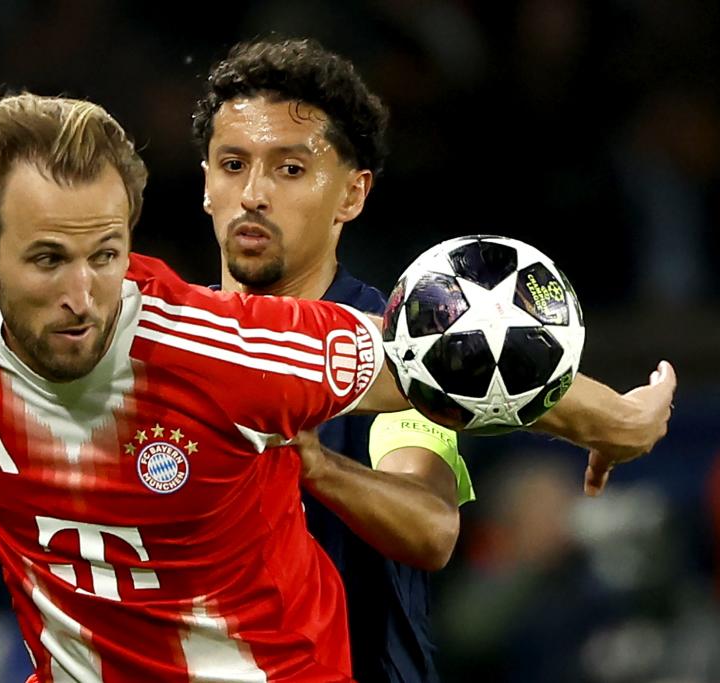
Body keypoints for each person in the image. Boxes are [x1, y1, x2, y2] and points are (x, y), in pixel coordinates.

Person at [0, 91, 675, 682]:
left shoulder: (234, 352)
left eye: (106, 254)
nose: (83, 294)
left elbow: (453, 356)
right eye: (47, 259)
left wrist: (615, 418)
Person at [191, 37, 675, 681]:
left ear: (352, 195)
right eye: (232, 165)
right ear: (206, 184)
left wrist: (314, 465)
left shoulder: (409, 341)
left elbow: (430, 527)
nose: (253, 193)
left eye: (290, 170)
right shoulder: (170, 333)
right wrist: (615, 420)